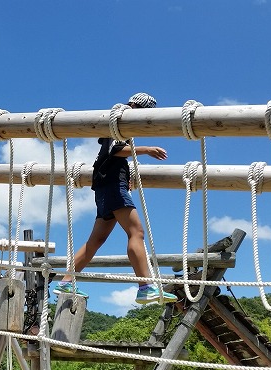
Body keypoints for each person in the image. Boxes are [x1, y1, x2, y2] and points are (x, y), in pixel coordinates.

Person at [54, 92, 178, 305]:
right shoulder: (121, 118)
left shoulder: (115, 120)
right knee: (136, 232)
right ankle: (146, 286)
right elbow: (115, 150)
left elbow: (110, 155)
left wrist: (127, 175)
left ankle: (66, 281)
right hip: (113, 186)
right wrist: (146, 150)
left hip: (104, 187)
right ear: (141, 108)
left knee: (96, 240)